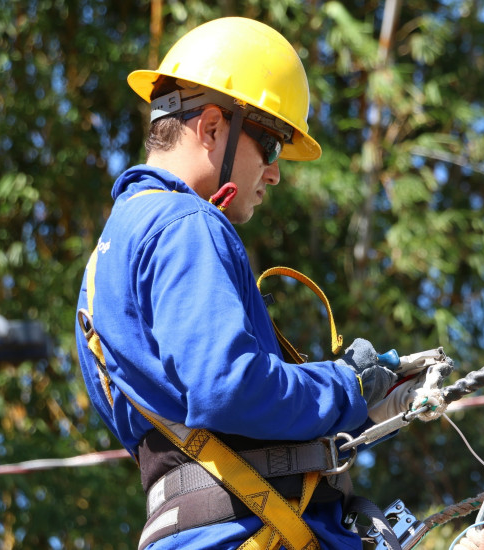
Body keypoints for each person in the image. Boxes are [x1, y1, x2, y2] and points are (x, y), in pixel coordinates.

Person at [75, 17, 407, 550]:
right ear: (211, 128)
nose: (274, 172)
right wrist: (348, 386)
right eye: (271, 145)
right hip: (252, 531)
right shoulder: (187, 223)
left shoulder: (105, 262)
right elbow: (229, 387)